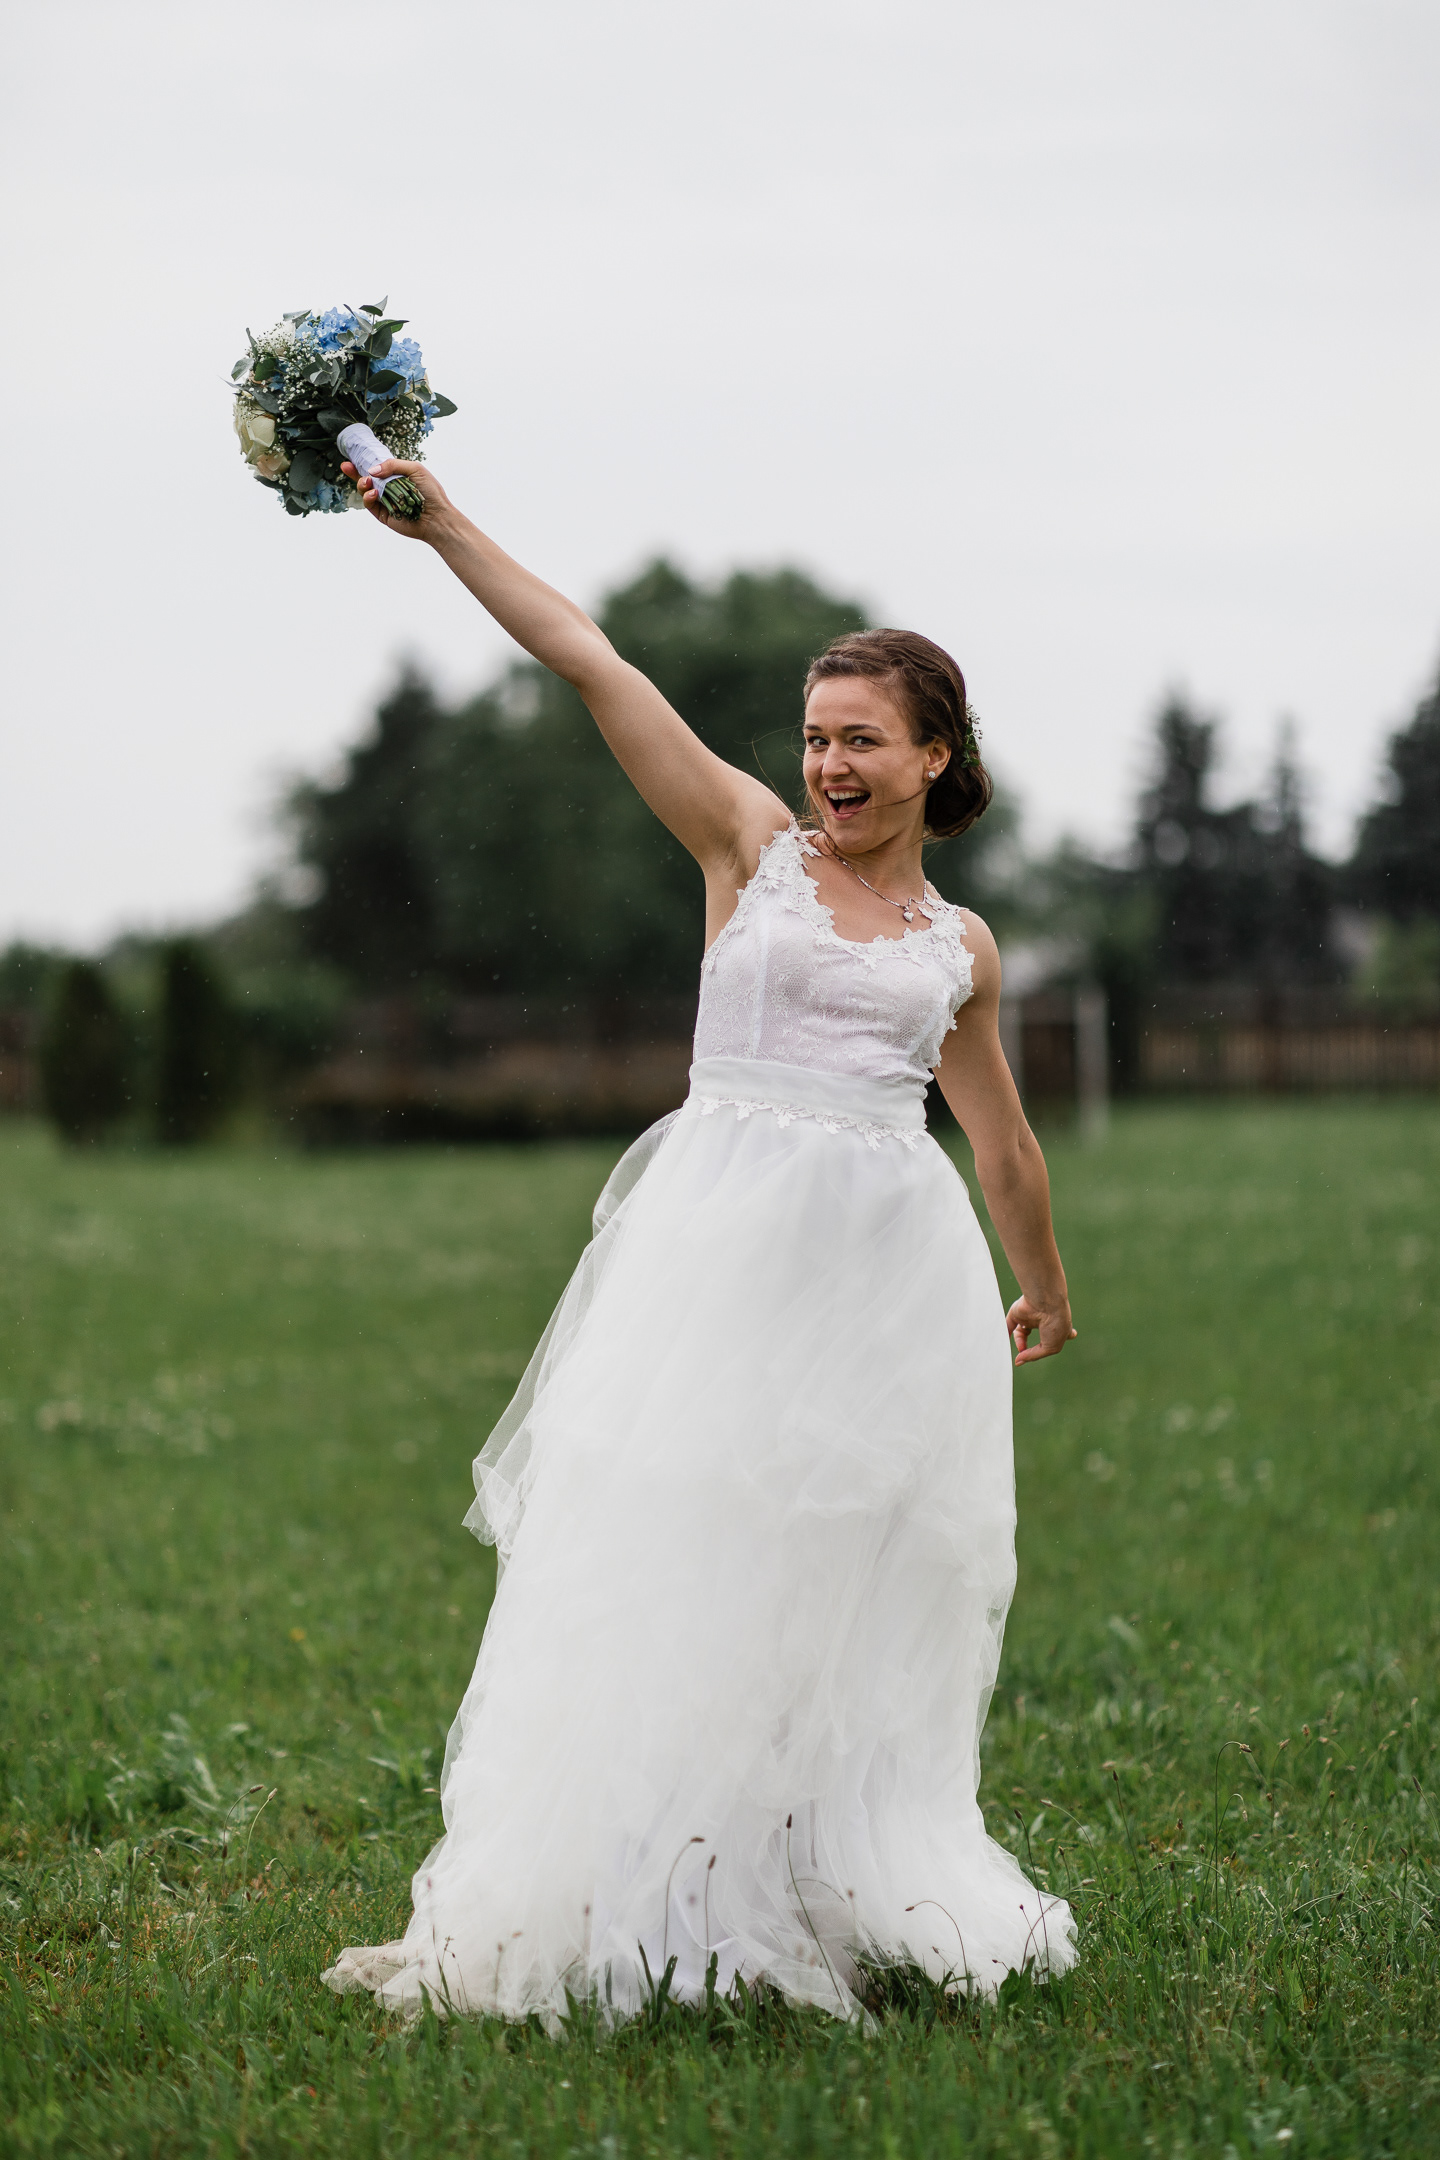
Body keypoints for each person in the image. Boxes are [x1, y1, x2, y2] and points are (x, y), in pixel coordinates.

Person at [322, 459, 1078, 2022]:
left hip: (889, 1282)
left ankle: (805, 1870)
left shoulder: (961, 947)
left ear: (934, 757)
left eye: (861, 741)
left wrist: (1046, 1290)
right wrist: (442, 524)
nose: (829, 766)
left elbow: (1001, 1141)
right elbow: (592, 662)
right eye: (817, 739)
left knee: (840, 1580)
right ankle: (637, 1880)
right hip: (718, 1256)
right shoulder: (749, 848)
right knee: (681, 1547)